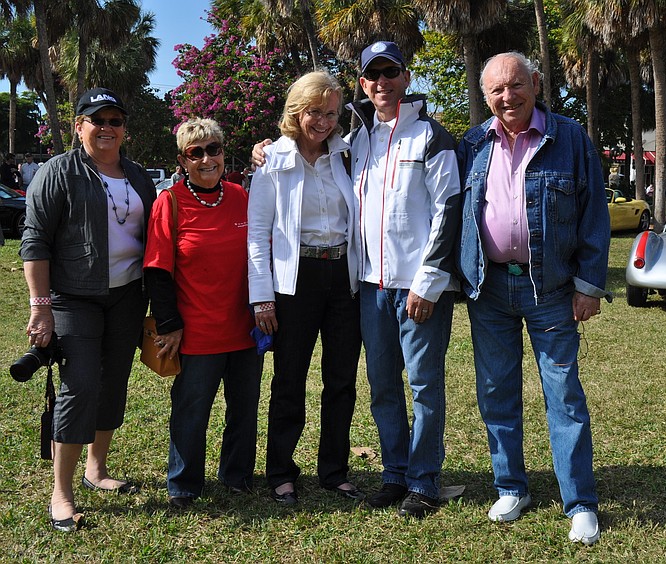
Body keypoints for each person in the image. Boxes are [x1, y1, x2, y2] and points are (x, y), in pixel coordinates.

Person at [253, 42, 461, 518]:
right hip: (331, 283)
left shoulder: (406, 140)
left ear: (405, 77)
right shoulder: (335, 146)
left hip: (382, 284)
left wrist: (429, 281)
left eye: (391, 72)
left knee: (388, 384)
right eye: (373, 75)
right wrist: (261, 297)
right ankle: (322, 473)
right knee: (350, 382)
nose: (382, 82)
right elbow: (259, 235)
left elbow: (449, 208)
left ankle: (410, 479)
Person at [456, 53, 611, 545]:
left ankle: (580, 503)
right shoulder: (472, 143)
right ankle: (511, 487)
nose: (508, 97)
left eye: (516, 85)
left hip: (551, 288)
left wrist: (588, 285)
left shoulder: (568, 138)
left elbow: (594, 214)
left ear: (536, 84)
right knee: (496, 390)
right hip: (490, 286)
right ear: (485, 97)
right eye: (497, 90)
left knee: (563, 393)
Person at [20, 87, 156, 532]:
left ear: (124, 130)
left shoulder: (137, 176)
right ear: (79, 126)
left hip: (127, 297)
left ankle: (96, 469)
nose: (107, 128)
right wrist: (40, 308)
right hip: (73, 297)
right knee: (80, 386)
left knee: (114, 381)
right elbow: (35, 240)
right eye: (97, 120)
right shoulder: (57, 172)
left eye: (115, 121)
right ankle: (61, 493)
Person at [248, 71, 363, 505]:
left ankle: (334, 471)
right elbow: (257, 236)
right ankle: (281, 471)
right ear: (296, 112)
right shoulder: (272, 162)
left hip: (342, 280)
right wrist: (262, 296)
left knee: (341, 380)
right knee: (289, 380)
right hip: (293, 283)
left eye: (332, 113)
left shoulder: (348, 155)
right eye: (315, 111)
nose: (324, 121)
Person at [144, 118, 262, 508]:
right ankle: (183, 483)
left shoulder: (241, 196)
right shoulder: (171, 201)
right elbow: (157, 270)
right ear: (183, 160)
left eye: (214, 149)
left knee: (244, 410)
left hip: (244, 329)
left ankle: (237, 474)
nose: (207, 159)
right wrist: (170, 324)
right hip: (196, 333)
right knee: (191, 411)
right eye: (197, 152)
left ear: (224, 153)